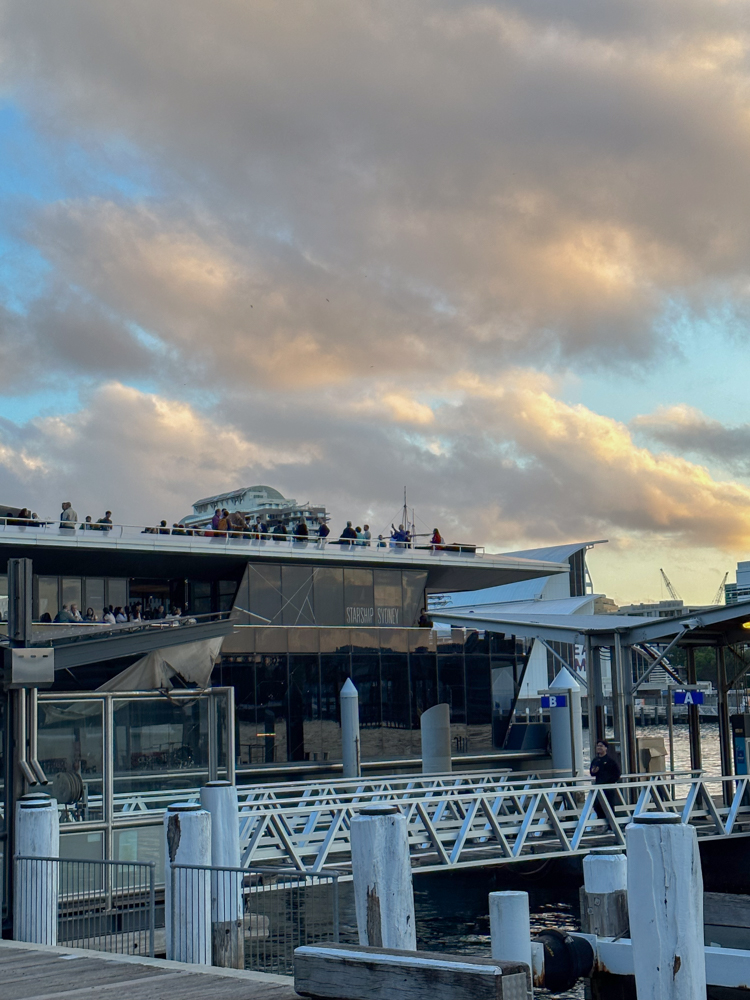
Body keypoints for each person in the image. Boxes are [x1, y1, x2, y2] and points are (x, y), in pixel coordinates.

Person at [590, 739, 622, 819]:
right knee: (597, 806)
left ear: (606, 748)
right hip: (598, 786)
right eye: (598, 746)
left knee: (609, 807)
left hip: (608, 788)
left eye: (601, 746)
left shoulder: (610, 761)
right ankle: (602, 823)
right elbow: (592, 773)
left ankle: (611, 826)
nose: (599, 748)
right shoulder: (595, 760)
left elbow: (617, 774)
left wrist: (610, 781)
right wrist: (594, 771)